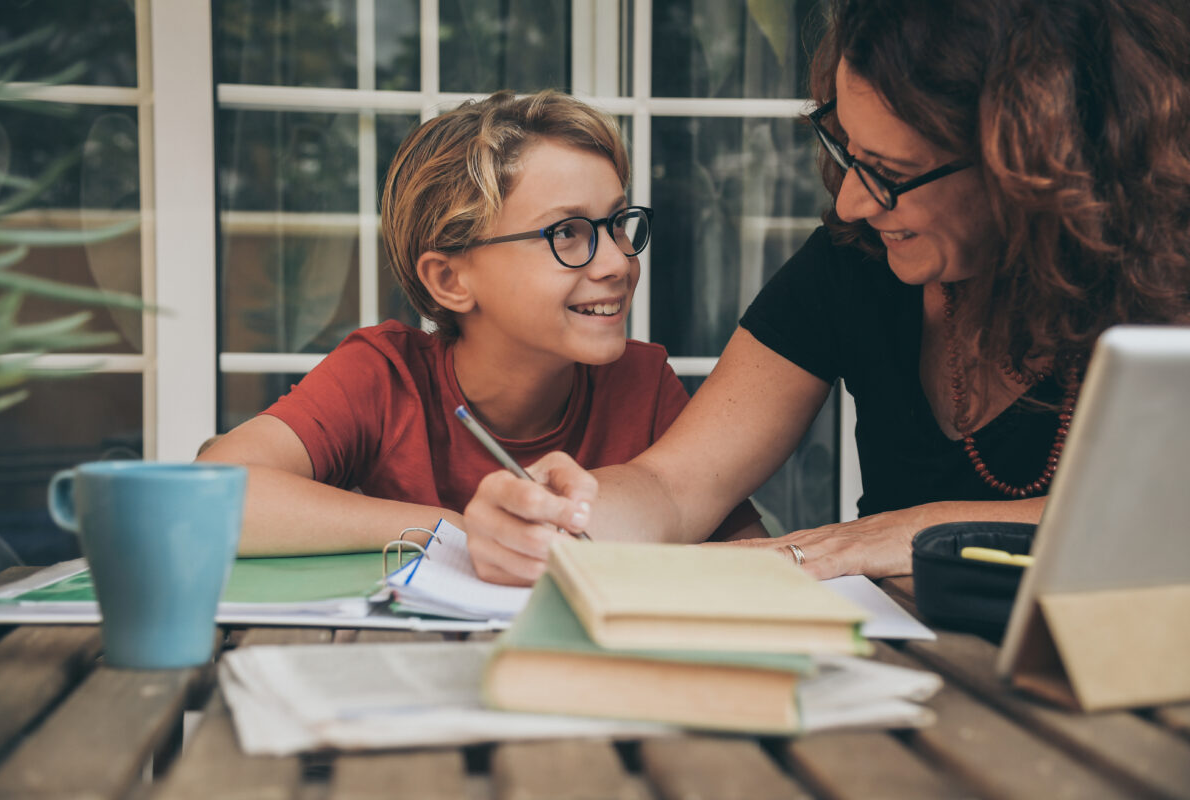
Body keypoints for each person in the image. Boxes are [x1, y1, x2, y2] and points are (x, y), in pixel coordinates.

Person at [461, 0, 1190, 584]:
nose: (852, 204)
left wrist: (900, 531)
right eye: (847, 152)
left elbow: (1165, 519)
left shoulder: (1166, 280)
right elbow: (676, 487)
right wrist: (561, 518)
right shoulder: (856, 261)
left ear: (1035, 164)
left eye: (890, 171)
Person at [197, 90, 764, 556]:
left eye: (618, 223)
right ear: (450, 280)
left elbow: (750, 559)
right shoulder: (385, 378)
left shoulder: (642, 385)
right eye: (565, 232)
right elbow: (211, 494)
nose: (618, 261)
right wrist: (459, 531)